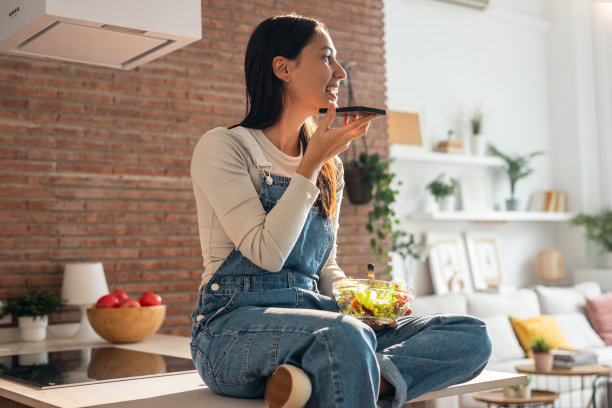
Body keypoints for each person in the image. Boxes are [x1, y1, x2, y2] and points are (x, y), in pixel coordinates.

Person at [189, 13, 491, 408]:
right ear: (283, 68)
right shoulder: (226, 147)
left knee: (469, 334)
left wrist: (361, 300)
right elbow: (267, 253)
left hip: (319, 319)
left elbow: (323, 266)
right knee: (346, 337)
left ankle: (326, 375)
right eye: (327, 58)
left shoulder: (330, 165)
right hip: (230, 328)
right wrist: (309, 164)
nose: (341, 72)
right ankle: (341, 365)